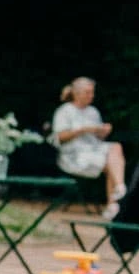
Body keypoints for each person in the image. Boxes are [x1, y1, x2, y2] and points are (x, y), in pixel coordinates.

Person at [52, 78, 128, 206]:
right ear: (77, 93)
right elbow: (60, 138)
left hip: (94, 151)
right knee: (112, 163)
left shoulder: (93, 112)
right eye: (88, 92)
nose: (91, 96)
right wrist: (83, 130)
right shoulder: (64, 111)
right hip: (73, 156)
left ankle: (119, 189)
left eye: (92, 92)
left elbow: (98, 140)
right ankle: (113, 203)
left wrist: (102, 132)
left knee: (116, 147)